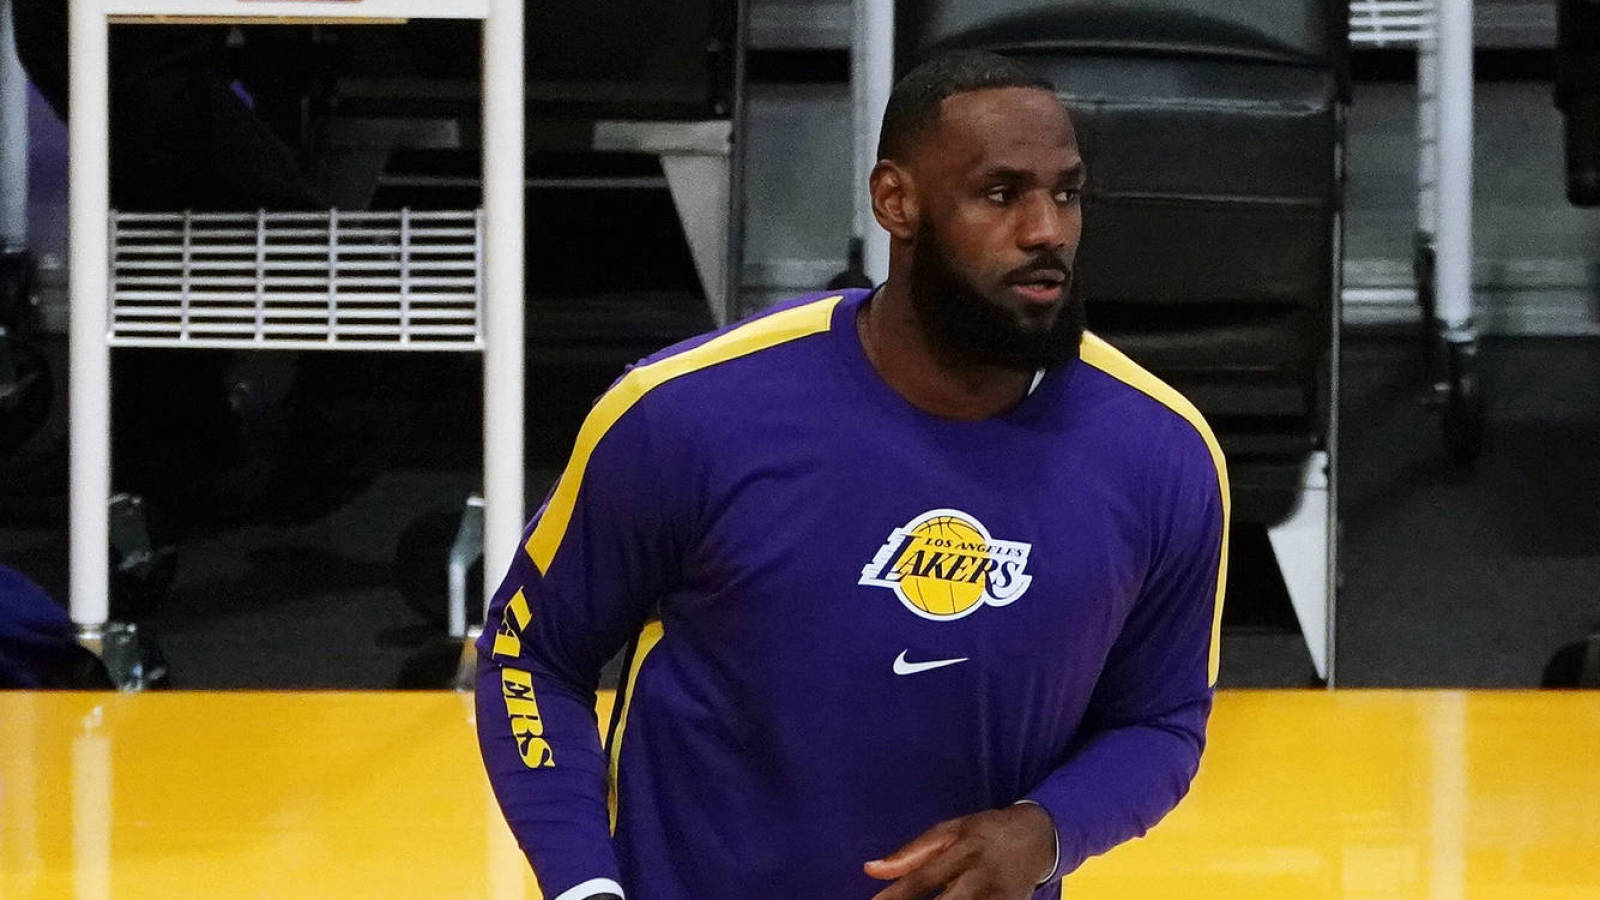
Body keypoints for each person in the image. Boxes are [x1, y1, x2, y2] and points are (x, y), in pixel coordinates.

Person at [475, 50, 1229, 900]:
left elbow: (1160, 721)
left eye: (1066, 193)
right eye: (999, 193)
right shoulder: (687, 412)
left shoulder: (1163, 453)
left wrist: (1046, 834)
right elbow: (529, 651)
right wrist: (581, 885)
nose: (1046, 230)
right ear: (895, 202)